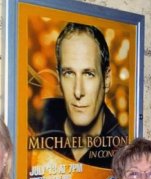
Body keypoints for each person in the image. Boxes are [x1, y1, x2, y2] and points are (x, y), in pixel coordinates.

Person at [37, 22, 127, 168]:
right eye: (69, 73)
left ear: (107, 79)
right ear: (59, 78)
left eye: (89, 74)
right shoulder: (36, 125)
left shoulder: (124, 153)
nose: (78, 91)